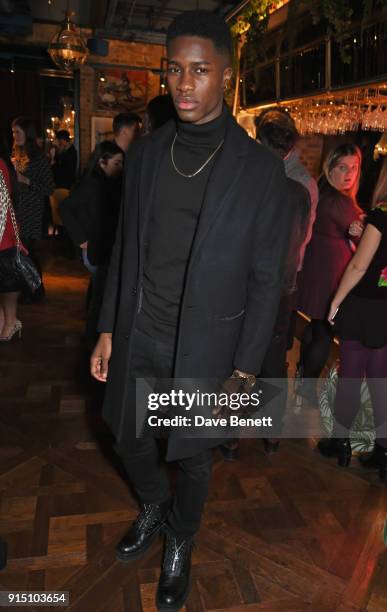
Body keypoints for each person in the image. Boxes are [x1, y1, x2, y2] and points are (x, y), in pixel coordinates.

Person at [90, 10, 292, 611]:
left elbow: (267, 281)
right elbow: (124, 247)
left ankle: (181, 536)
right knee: (127, 437)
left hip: (206, 348)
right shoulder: (148, 155)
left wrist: (247, 370)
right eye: (174, 69)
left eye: (199, 70)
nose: (184, 83)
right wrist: (105, 327)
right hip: (139, 331)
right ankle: (154, 502)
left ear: (225, 76)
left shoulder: (260, 172)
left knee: (194, 455)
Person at [220, 107, 312, 460]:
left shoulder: (242, 184)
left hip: (243, 290)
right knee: (273, 364)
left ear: (258, 141)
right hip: (280, 292)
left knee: (239, 362)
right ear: (287, 150)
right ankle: (271, 436)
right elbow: (297, 246)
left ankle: (229, 438)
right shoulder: (299, 193)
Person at [317, 195, 387, 480]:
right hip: (385, 307)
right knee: (381, 381)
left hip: (361, 306)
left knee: (351, 376)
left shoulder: (382, 215)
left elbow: (359, 266)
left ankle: (340, 442)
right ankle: (384, 453)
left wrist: (336, 300)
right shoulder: (377, 218)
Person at [297, 144, 363, 404]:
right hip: (330, 271)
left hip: (314, 265)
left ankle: (302, 379)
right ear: (330, 167)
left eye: (354, 167)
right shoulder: (340, 201)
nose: (349, 173)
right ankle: (306, 388)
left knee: (314, 326)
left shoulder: (321, 190)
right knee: (324, 330)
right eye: (342, 167)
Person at [59, 141, 123, 341]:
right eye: (117, 163)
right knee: (100, 295)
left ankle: (92, 336)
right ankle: (92, 337)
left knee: (99, 291)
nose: (121, 167)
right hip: (95, 249)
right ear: (102, 162)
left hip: (100, 247)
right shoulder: (94, 183)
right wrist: (81, 239)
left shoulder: (106, 182)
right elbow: (65, 208)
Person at [11, 117, 55, 299]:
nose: (14, 135)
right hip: (17, 211)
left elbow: (49, 187)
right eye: (12, 132)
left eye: (17, 132)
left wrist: (26, 180)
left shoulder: (38, 158)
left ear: (27, 134)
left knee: (26, 252)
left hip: (31, 212)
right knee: (20, 252)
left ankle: (36, 291)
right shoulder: (16, 154)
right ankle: (30, 290)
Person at [0, 136, 22, 341]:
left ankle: (11, 321)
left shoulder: (0, 164)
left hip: (3, 233)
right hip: (4, 233)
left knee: (7, 283)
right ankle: (4, 322)